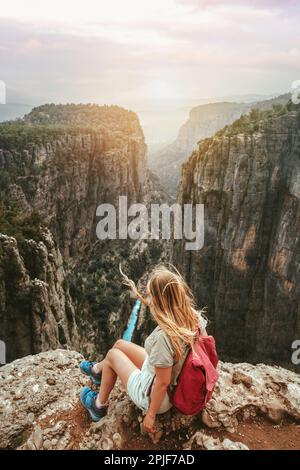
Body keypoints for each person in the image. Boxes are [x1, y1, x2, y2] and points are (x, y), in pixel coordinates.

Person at [79, 265, 208, 433]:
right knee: (119, 344)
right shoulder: (193, 316)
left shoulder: (164, 337)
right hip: (170, 376)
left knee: (112, 355)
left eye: (151, 295)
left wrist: (151, 415)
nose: (149, 299)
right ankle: (97, 371)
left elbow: (162, 383)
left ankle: (98, 406)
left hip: (154, 395)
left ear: (160, 301)